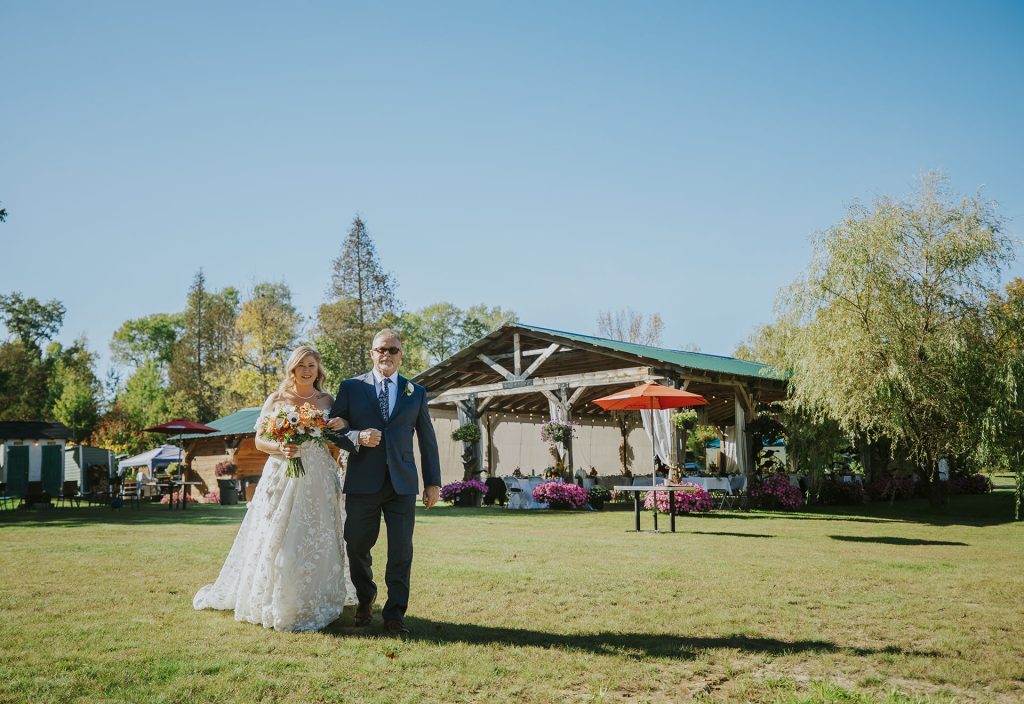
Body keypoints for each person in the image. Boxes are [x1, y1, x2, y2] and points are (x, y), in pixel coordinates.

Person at [193, 345, 355, 631]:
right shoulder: (277, 399)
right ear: (292, 368)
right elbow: (259, 442)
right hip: (282, 475)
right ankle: (279, 598)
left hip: (318, 477)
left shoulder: (327, 399)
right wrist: (281, 447)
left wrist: (343, 424)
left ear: (318, 370)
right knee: (279, 537)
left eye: (312, 366)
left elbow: (336, 437)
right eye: (302, 365)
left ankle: (317, 597)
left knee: (318, 535)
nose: (307, 370)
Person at [330, 328, 442, 638]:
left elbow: (428, 440)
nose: (387, 355)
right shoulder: (351, 388)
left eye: (393, 350)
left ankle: (395, 615)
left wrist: (433, 482)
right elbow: (331, 430)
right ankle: (366, 600)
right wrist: (357, 437)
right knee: (356, 547)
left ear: (401, 355)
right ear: (372, 353)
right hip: (361, 482)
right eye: (381, 349)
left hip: (402, 485)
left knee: (401, 552)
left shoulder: (415, 392)